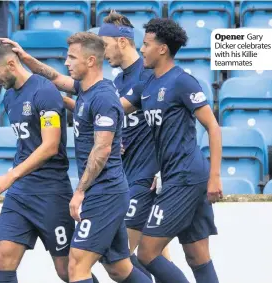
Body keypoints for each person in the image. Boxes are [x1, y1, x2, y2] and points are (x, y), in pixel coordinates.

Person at [3, 33, 152, 283]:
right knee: (118, 269)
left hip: (105, 193)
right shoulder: (85, 89)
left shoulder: (104, 96)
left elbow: (102, 150)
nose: (67, 63)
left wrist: (80, 191)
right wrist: (26, 58)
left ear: (91, 60)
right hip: (104, 192)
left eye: (72, 57)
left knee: (76, 266)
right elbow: (54, 78)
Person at [0, 40, 98, 283]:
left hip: (51, 193)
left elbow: (50, 146)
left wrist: (10, 176)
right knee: (2, 260)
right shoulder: (9, 97)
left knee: (68, 271)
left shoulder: (43, 91)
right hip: (21, 194)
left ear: (11, 64)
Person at [121, 18, 222, 283]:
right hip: (173, 176)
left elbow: (213, 127)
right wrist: (67, 97)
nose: (141, 50)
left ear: (162, 49)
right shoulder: (147, 84)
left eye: (146, 44)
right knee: (197, 256)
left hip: (186, 177)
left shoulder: (182, 82)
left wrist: (215, 176)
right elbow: (113, 109)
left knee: (146, 253)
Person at [98, 11, 171, 282]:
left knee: (120, 254)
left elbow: (169, 122)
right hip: (129, 174)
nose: (102, 53)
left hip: (148, 176)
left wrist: (164, 167)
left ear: (121, 42)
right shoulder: (118, 81)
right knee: (156, 256)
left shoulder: (149, 74)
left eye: (103, 45)